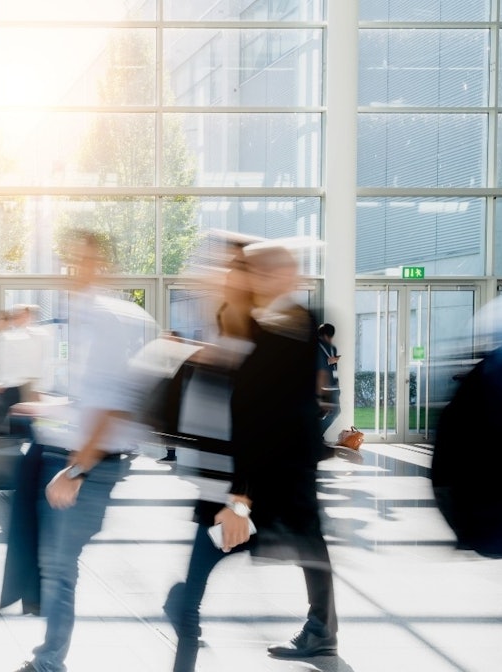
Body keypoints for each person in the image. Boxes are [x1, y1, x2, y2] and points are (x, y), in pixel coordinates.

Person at [165, 244, 339, 672]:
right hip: (258, 479)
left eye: (260, 274)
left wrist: (241, 498)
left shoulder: (284, 329)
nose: (254, 282)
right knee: (309, 550)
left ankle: (320, 631)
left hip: (263, 481)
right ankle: (321, 631)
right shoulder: (272, 325)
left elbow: (265, 420)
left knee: (304, 551)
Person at [7, 231, 155, 672]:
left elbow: (113, 404)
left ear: (100, 265)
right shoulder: (82, 319)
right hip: (68, 454)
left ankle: (50, 661)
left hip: (88, 464)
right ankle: (48, 657)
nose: (71, 270)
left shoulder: (107, 318)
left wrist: (76, 470)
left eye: (81, 261)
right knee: (55, 565)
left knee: (58, 567)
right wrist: (47, 405)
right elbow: (88, 399)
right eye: (68, 260)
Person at [317, 323, 340, 438]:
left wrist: (337, 383)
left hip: (332, 386)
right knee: (327, 411)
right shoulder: (317, 348)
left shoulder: (332, 348)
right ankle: (315, 436)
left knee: (334, 411)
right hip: (323, 387)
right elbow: (318, 368)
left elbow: (334, 368)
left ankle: (316, 435)